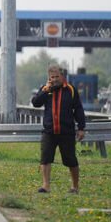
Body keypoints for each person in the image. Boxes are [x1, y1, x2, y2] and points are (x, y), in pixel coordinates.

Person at [31, 64, 86, 194]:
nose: (54, 79)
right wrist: (45, 90)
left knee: (70, 160)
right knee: (45, 158)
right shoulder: (46, 89)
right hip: (49, 131)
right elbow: (35, 103)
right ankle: (45, 186)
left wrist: (81, 128)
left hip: (66, 131)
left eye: (57, 76)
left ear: (62, 76)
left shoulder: (71, 90)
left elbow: (78, 109)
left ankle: (75, 186)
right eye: (52, 77)